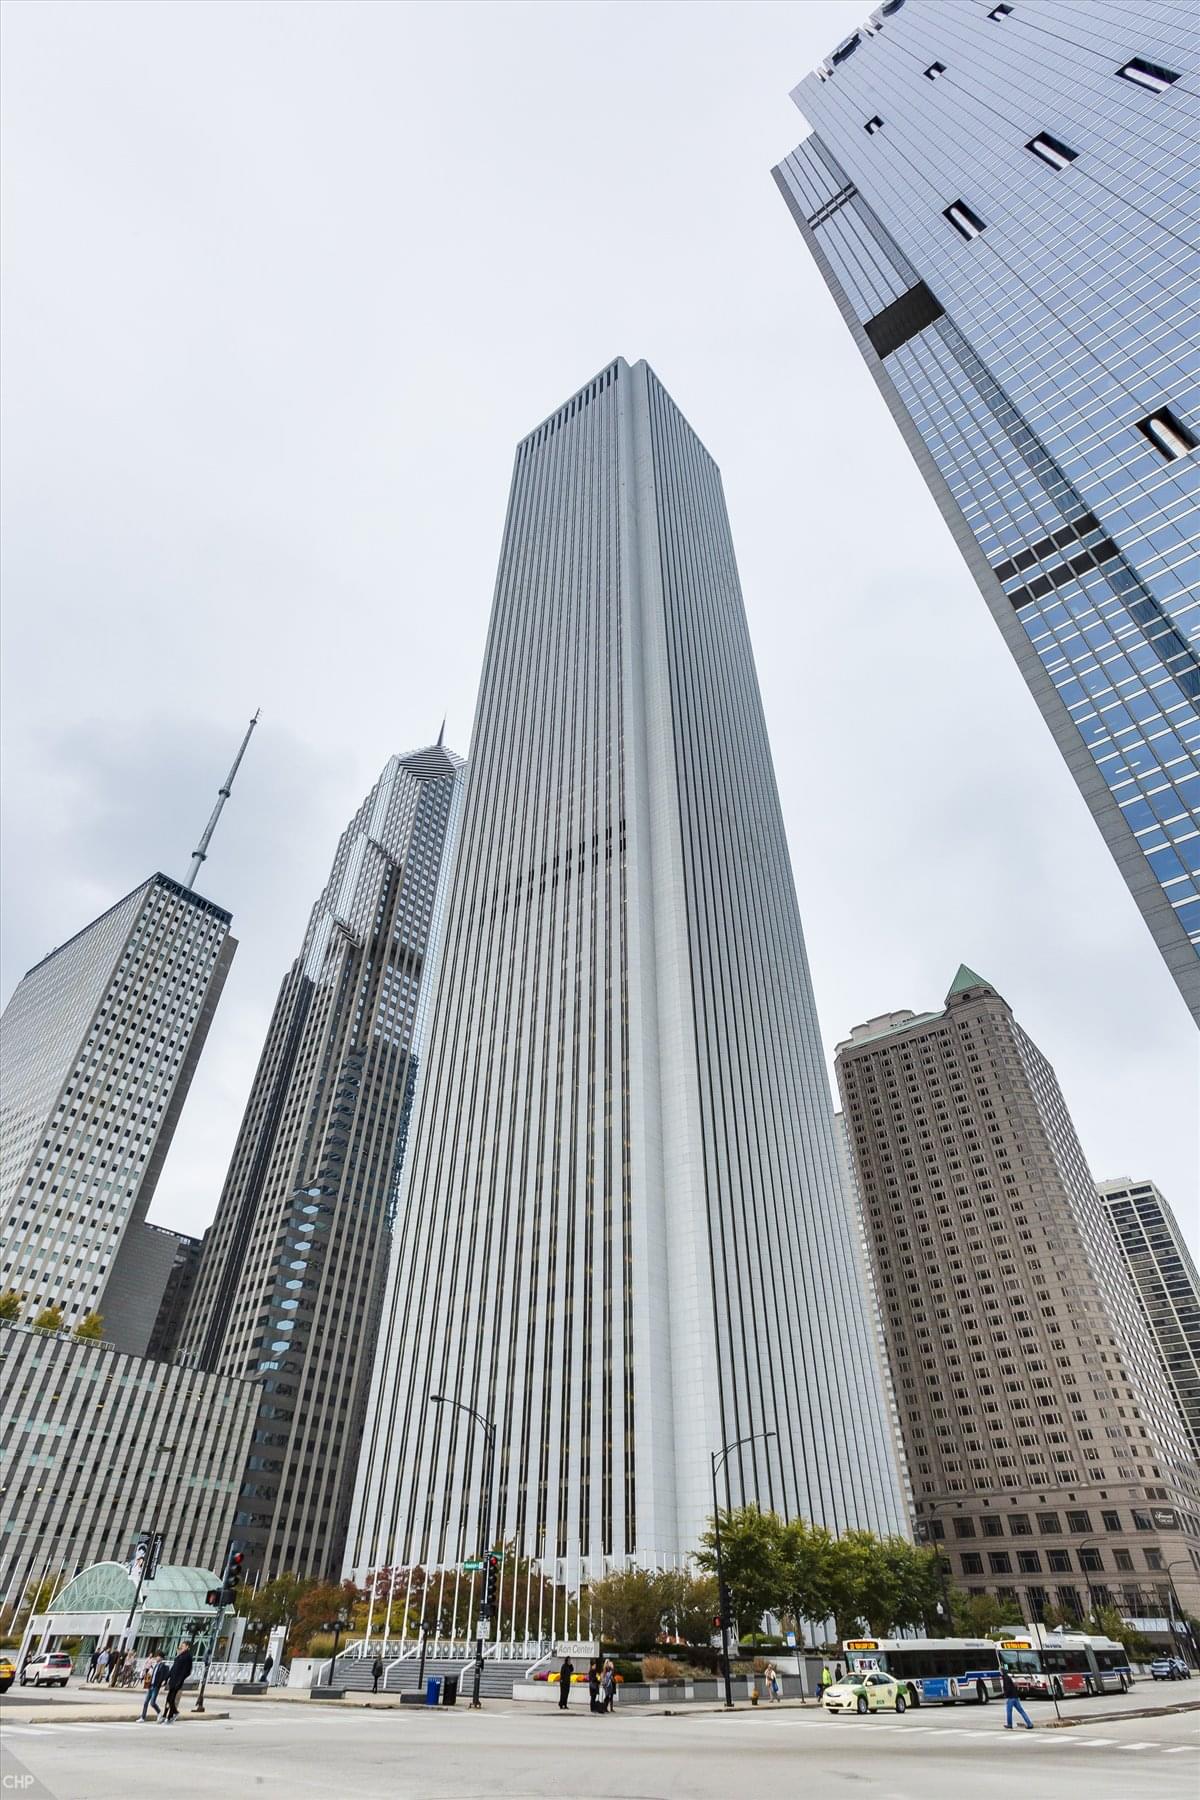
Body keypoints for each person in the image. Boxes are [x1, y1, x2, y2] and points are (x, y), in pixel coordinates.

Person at [162, 1641, 193, 1724]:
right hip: (173, 1680)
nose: (181, 1647)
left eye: (183, 1646)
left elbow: (187, 1671)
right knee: (168, 1699)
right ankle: (165, 1715)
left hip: (178, 1681)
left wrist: (180, 1680)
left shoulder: (188, 1657)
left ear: (187, 1647)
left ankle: (171, 1715)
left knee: (172, 1699)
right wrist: (167, 1678)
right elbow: (173, 1668)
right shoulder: (179, 1656)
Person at [141, 1653, 168, 1722]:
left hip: (156, 1686)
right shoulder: (155, 1665)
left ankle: (159, 1712)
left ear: (161, 1658)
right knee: (146, 1702)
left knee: (152, 1702)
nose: (156, 1657)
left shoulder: (163, 1666)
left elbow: (165, 1675)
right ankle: (142, 1717)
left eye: (158, 1656)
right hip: (151, 1685)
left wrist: (164, 1681)